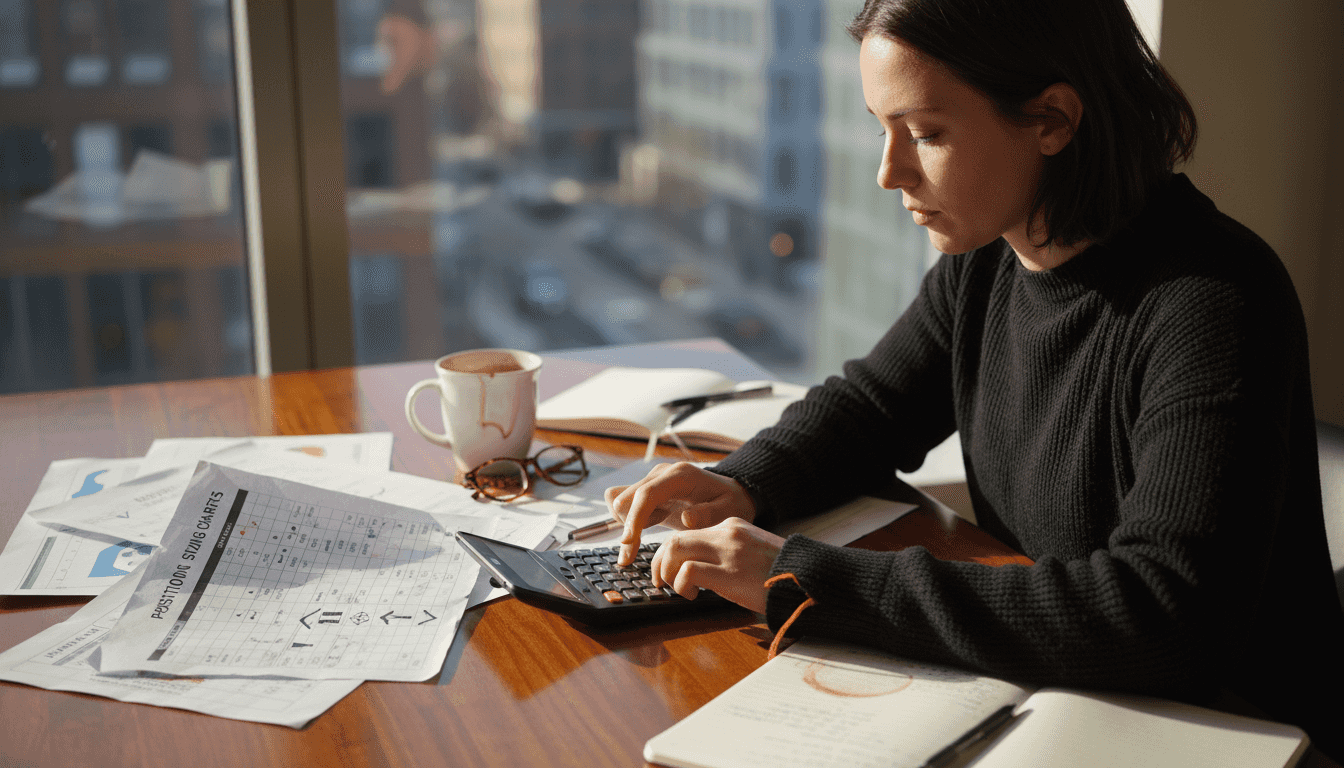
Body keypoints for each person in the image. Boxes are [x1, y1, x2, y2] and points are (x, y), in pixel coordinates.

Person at [605, 0, 1344, 759]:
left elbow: (1165, 617)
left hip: (1231, 729)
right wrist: (742, 482)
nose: (889, 172)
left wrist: (801, 578)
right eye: (881, 126)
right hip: (1061, 690)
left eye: (925, 133)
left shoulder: (1214, 300)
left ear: (1053, 119)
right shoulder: (986, 262)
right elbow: (871, 407)